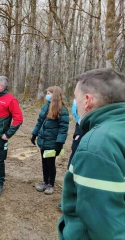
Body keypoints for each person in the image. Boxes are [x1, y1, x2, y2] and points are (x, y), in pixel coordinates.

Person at [58, 68, 125, 239]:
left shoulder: (97, 146)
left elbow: (105, 228)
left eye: (75, 97)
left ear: (87, 100)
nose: (74, 103)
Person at [31, 86, 69, 195]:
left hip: (52, 142)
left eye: (49, 93)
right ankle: (44, 181)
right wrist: (34, 133)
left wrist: (59, 143)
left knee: (50, 163)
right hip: (43, 140)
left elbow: (63, 128)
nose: (47, 95)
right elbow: (39, 121)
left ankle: (50, 184)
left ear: (55, 95)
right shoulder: (45, 106)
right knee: (44, 162)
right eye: (47, 92)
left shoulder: (62, 110)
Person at [57, 99, 84, 209]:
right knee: (72, 168)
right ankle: (70, 200)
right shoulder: (80, 120)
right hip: (79, 133)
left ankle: (78, 202)